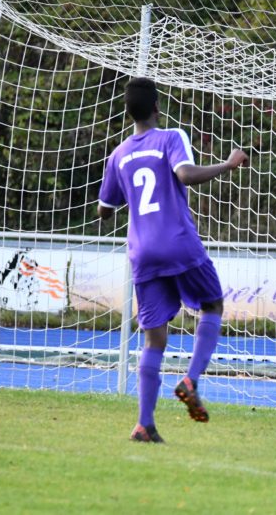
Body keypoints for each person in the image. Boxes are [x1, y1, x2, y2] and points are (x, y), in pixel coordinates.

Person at [97, 77, 249, 443]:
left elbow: (104, 209)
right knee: (212, 304)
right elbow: (184, 174)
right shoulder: (170, 137)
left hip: (142, 253)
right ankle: (190, 379)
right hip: (177, 242)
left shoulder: (118, 155)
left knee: (154, 341)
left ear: (128, 111)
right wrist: (227, 165)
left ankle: (144, 424)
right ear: (156, 108)